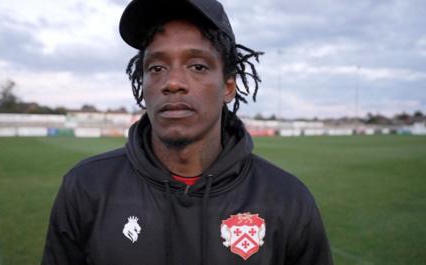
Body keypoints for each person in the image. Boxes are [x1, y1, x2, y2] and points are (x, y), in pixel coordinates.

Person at [41, 0, 334, 264]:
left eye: (197, 66)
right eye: (156, 68)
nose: (172, 82)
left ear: (228, 87)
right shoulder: (86, 187)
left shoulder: (287, 198)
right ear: (142, 83)